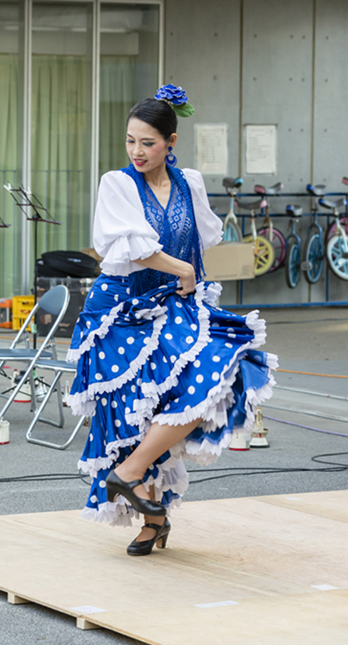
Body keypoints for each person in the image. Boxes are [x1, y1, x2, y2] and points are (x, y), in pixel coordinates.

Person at [67, 84, 278, 556]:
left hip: (173, 305)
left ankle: (127, 476)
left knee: (219, 376)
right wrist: (180, 269)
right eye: (130, 141)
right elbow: (130, 247)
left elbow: (202, 239)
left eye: (148, 142)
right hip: (120, 311)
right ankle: (152, 517)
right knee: (133, 416)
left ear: (171, 142)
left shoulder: (191, 183)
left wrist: (192, 281)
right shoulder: (116, 184)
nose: (137, 151)